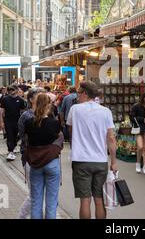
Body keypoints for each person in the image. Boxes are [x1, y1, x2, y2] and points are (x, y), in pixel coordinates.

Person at [66, 81, 117, 219]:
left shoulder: (75, 110)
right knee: (99, 200)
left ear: (85, 93)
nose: (77, 96)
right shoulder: (106, 111)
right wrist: (114, 162)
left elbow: (71, 131)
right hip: (100, 161)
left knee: (85, 200)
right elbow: (111, 138)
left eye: (79, 93)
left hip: (81, 160)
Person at [25, 93, 62, 219]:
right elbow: (59, 138)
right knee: (51, 202)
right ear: (48, 106)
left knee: (36, 201)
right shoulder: (54, 123)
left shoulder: (29, 123)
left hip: (35, 163)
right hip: (52, 162)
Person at [17, 87, 43, 219]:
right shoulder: (26, 116)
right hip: (30, 156)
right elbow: (23, 137)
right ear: (31, 99)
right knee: (34, 193)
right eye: (39, 96)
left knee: (41, 193)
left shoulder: (47, 113)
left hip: (45, 157)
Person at [0, 85, 27, 161]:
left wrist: (24, 122)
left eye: (12, 89)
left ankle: (13, 147)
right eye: (9, 90)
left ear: (16, 90)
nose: (11, 91)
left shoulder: (20, 100)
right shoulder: (5, 99)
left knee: (15, 136)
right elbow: (2, 111)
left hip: (17, 121)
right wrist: (1, 122)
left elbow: (23, 111)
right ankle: (10, 151)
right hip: (8, 121)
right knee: (9, 136)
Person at [130, 93, 145, 174]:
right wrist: (142, 119)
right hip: (138, 128)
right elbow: (131, 117)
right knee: (140, 147)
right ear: (142, 98)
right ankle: (138, 163)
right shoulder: (136, 106)